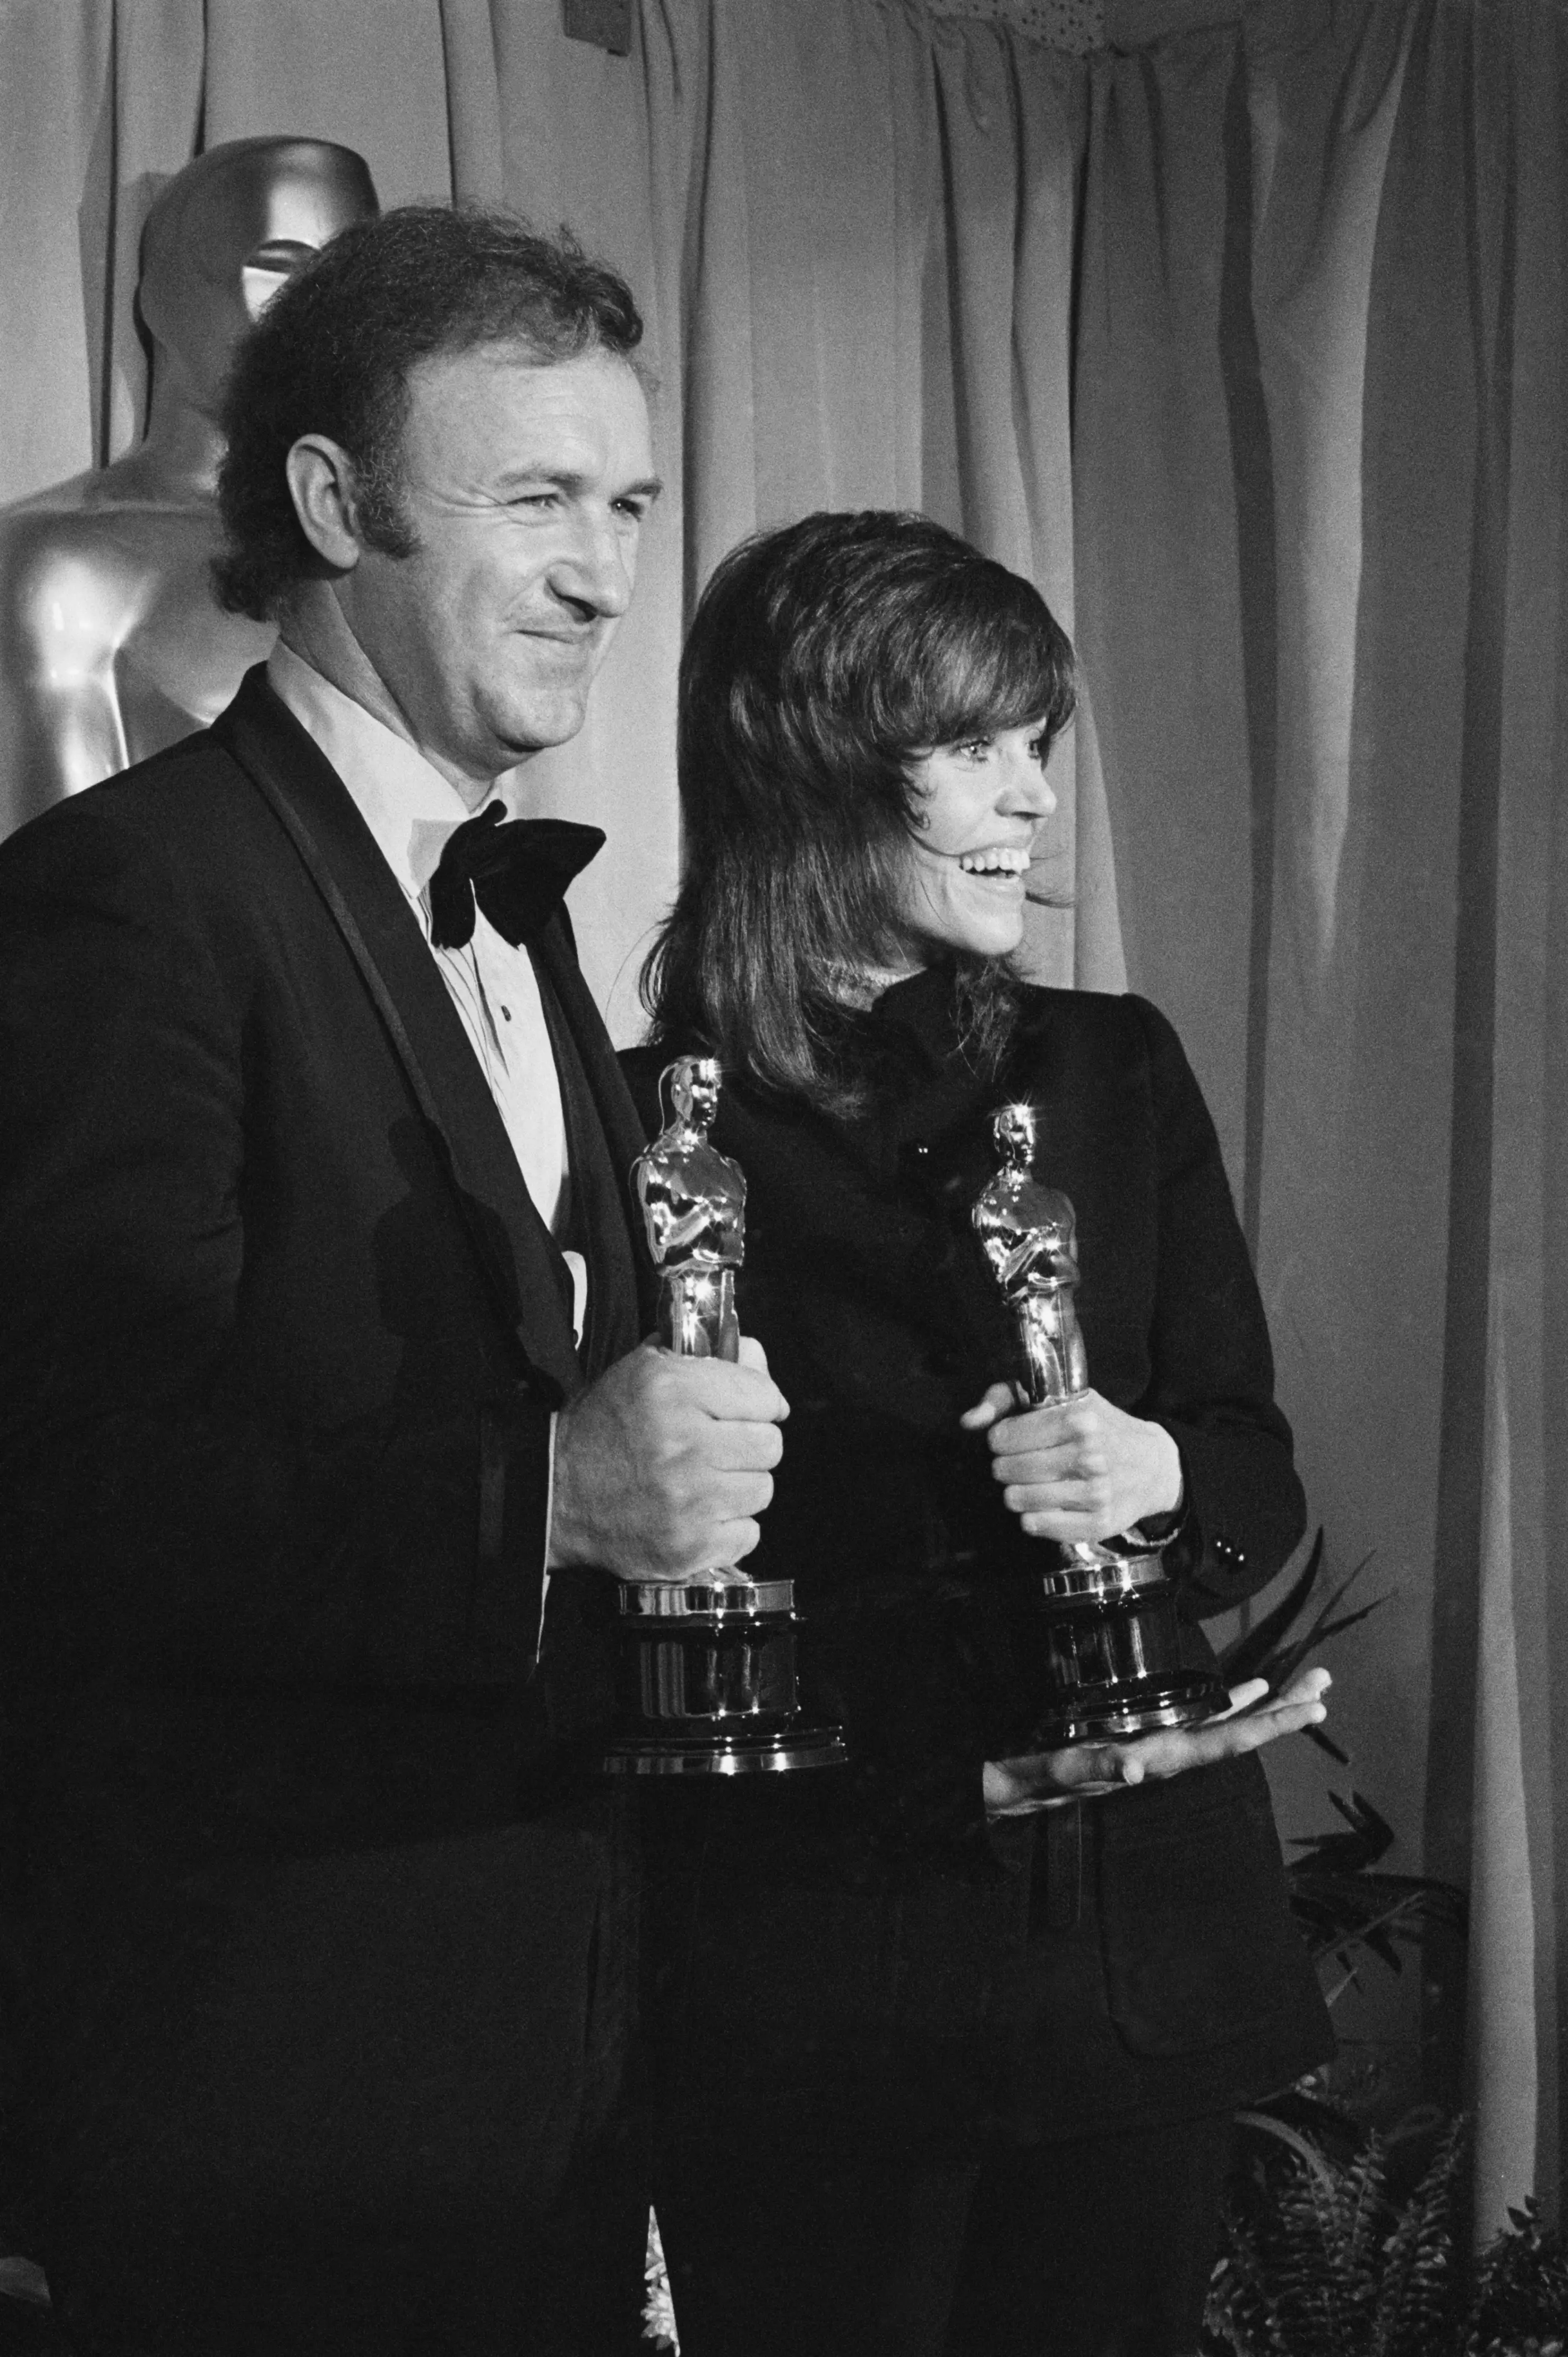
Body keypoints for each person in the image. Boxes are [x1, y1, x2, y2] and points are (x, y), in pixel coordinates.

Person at [0, 205, 788, 2356]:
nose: (604, 571)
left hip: (549, 2050)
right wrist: (545, 1503)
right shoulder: (120, 901)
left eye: (624, 502)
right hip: (268, 2090)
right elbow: (64, 1499)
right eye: (533, 495)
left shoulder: (516, 908)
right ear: (334, 502)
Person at [624, 509, 1335, 2357]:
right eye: (974, 745)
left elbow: (1251, 1462)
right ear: (810, 761)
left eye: (1039, 742)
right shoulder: (639, 1125)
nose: (1028, 797)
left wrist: (1154, 1468)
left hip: (1123, 1957)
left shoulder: (1110, 1065)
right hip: (800, 1963)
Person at [0, 138, 379, 825]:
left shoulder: (386, 550)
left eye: (352, 287)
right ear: (164, 296)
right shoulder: (61, 563)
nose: (320, 321)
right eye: (280, 270)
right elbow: (62, 895)